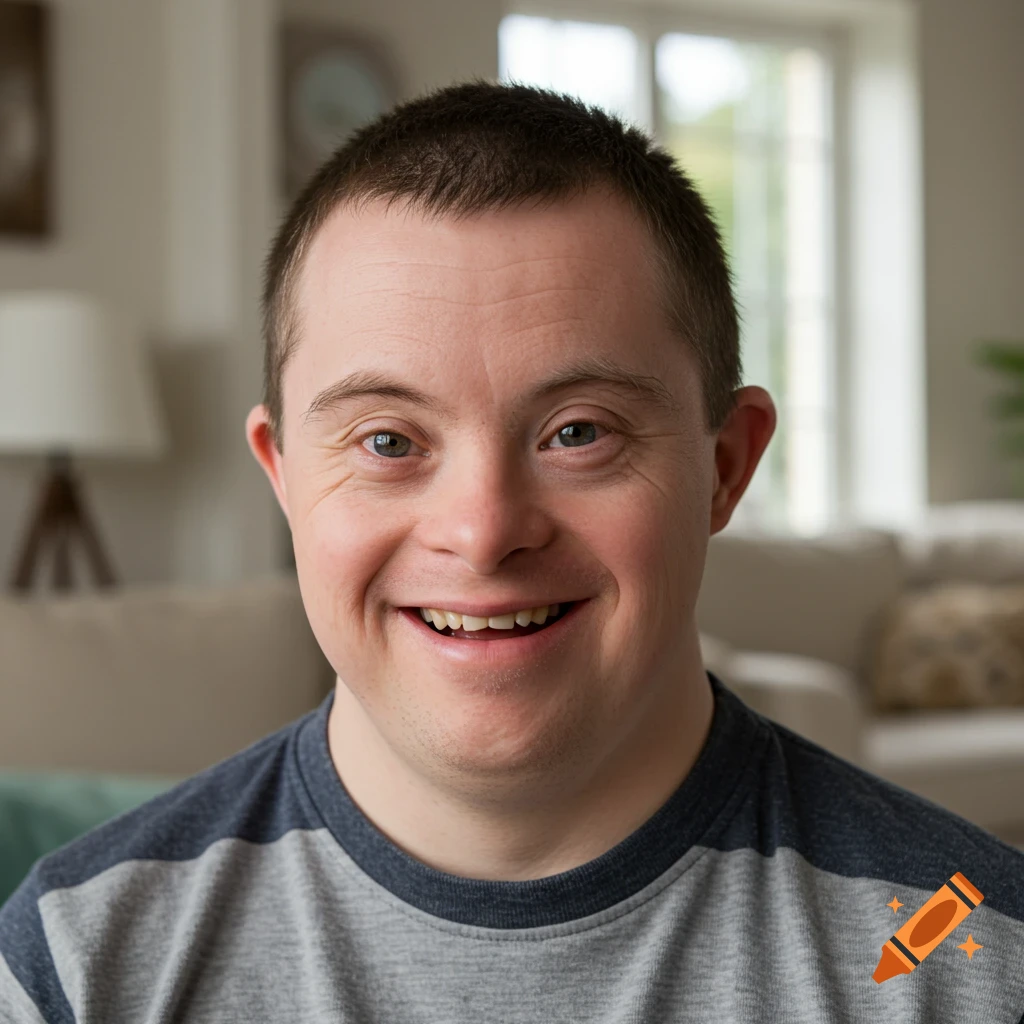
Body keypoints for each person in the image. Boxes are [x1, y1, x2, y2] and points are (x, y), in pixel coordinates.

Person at [1, 78, 1022, 1024]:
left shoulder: (972, 954)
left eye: (578, 432)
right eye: (388, 441)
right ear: (285, 474)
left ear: (724, 465)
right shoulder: (79, 963)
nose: (484, 531)